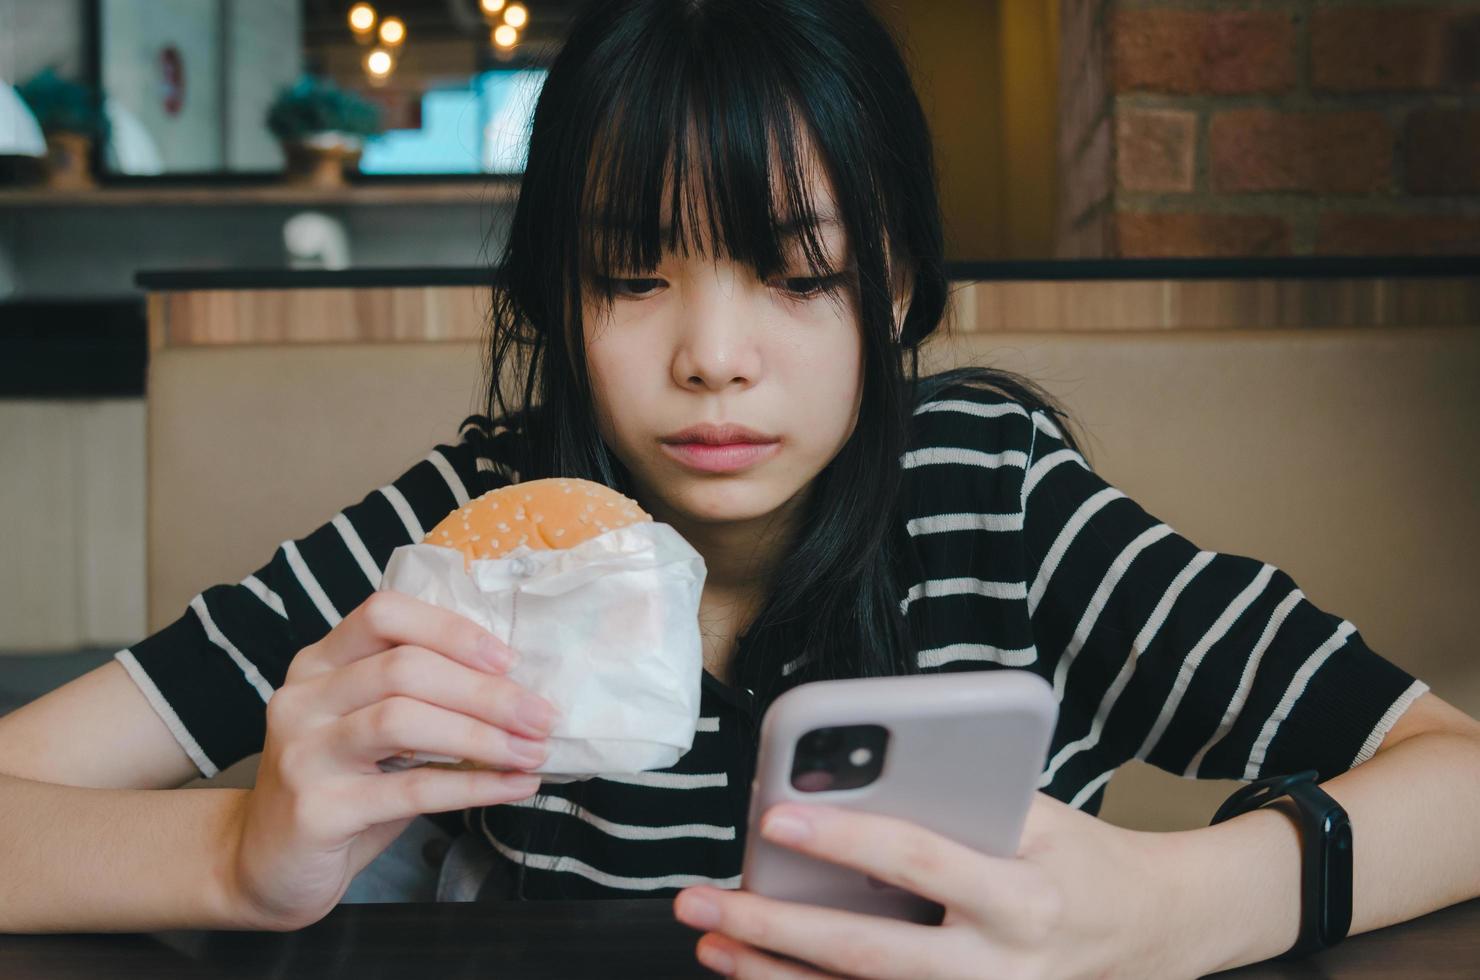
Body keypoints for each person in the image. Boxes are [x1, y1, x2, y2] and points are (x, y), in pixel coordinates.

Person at [3, 0, 1478, 974]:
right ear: (559, 303)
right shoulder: (475, 536)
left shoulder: (995, 505)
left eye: (799, 275)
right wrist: (243, 855)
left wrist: (1162, 910)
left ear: (893, 284)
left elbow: (1458, 772)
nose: (714, 358)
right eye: (629, 276)